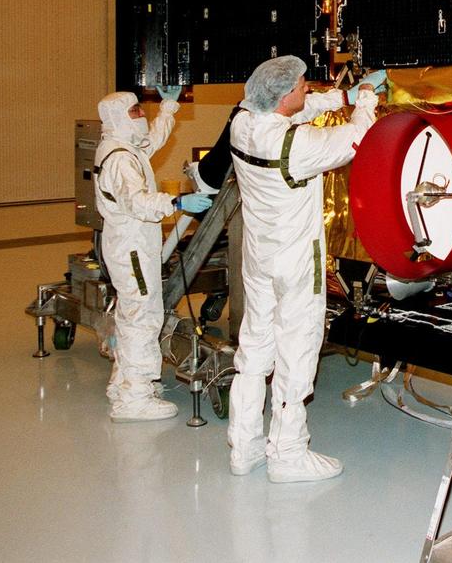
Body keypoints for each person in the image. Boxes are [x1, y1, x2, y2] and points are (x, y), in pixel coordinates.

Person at [227, 56, 384, 482]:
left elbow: (300, 110)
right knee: (296, 351)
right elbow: (357, 138)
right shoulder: (299, 147)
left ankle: (244, 447)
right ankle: (289, 455)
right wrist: (366, 99)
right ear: (283, 97)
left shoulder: (243, 121)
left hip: (260, 257)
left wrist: (341, 96)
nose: (306, 91)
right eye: (301, 87)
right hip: (296, 263)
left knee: (255, 348)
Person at [94, 86, 212, 422]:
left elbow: (152, 141)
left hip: (130, 243)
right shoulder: (119, 159)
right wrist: (175, 202)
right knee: (142, 318)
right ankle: (135, 398)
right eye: (134, 112)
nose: (141, 115)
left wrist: (169, 107)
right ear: (118, 117)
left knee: (132, 315)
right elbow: (138, 202)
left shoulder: (123, 147)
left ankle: (124, 384)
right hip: (131, 246)